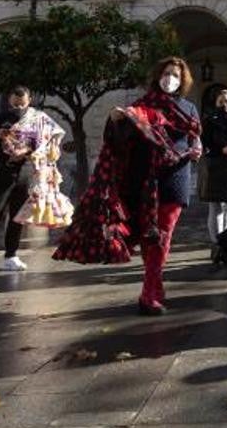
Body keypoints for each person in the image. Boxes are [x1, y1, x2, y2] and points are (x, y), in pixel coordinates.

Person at [54, 57, 202, 316]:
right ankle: (155, 285)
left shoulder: (189, 108)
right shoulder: (142, 105)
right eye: (166, 73)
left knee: (162, 237)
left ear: (183, 80)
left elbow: (196, 138)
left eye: (175, 75)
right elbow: (122, 137)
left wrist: (198, 148)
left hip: (175, 179)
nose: (170, 78)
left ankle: (148, 295)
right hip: (143, 180)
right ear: (157, 75)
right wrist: (115, 120)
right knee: (149, 239)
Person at [0, 86, 73, 278]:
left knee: (18, 218)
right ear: (10, 100)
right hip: (5, 172)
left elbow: (49, 142)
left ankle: (11, 256)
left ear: (29, 100)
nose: (19, 106)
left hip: (28, 173)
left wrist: (30, 152)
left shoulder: (39, 119)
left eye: (22, 102)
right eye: (15, 102)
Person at [200, 88, 227, 243]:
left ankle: (225, 240)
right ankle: (217, 244)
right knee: (216, 207)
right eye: (221, 101)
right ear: (216, 103)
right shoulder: (209, 120)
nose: (224, 104)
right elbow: (204, 143)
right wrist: (222, 150)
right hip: (216, 166)